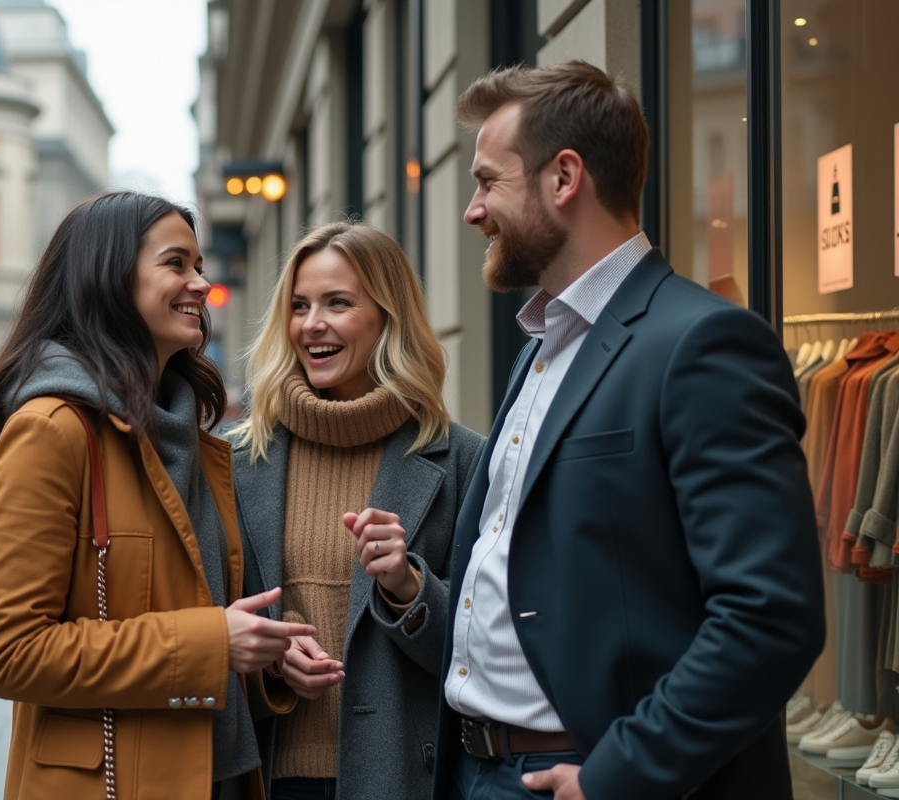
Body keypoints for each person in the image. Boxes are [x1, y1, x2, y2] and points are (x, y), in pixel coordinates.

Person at [430, 60, 825, 800]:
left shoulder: (703, 344)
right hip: (478, 770)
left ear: (564, 177)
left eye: (487, 181)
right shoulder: (539, 353)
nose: (472, 210)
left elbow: (769, 617)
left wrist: (619, 777)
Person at [0, 191, 315, 800]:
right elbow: (11, 652)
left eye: (199, 264)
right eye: (176, 263)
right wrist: (211, 642)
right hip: (111, 782)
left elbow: (204, 610)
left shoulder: (194, 437)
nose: (201, 283)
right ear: (107, 275)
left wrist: (265, 654)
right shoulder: (52, 430)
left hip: (223, 772)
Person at [229, 222, 484, 800]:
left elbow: (486, 642)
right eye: (299, 305)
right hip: (269, 775)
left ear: (387, 318)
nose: (312, 323)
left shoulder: (464, 459)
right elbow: (204, 615)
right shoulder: (237, 460)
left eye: (337, 303)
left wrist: (408, 584)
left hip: (402, 778)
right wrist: (270, 659)